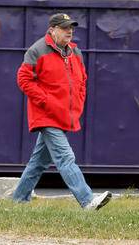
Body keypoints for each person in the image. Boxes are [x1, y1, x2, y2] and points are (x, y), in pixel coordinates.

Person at [12, 12, 112, 211]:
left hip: (65, 115)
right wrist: (46, 101)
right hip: (46, 116)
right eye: (65, 28)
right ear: (52, 30)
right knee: (66, 158)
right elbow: (23, 79)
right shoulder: (37, 50)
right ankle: (87, 201)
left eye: (71, 28)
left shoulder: (76, 52)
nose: (70, 31)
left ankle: (18, 201)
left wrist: (79, 103)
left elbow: (82, 80)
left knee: (38, 163)